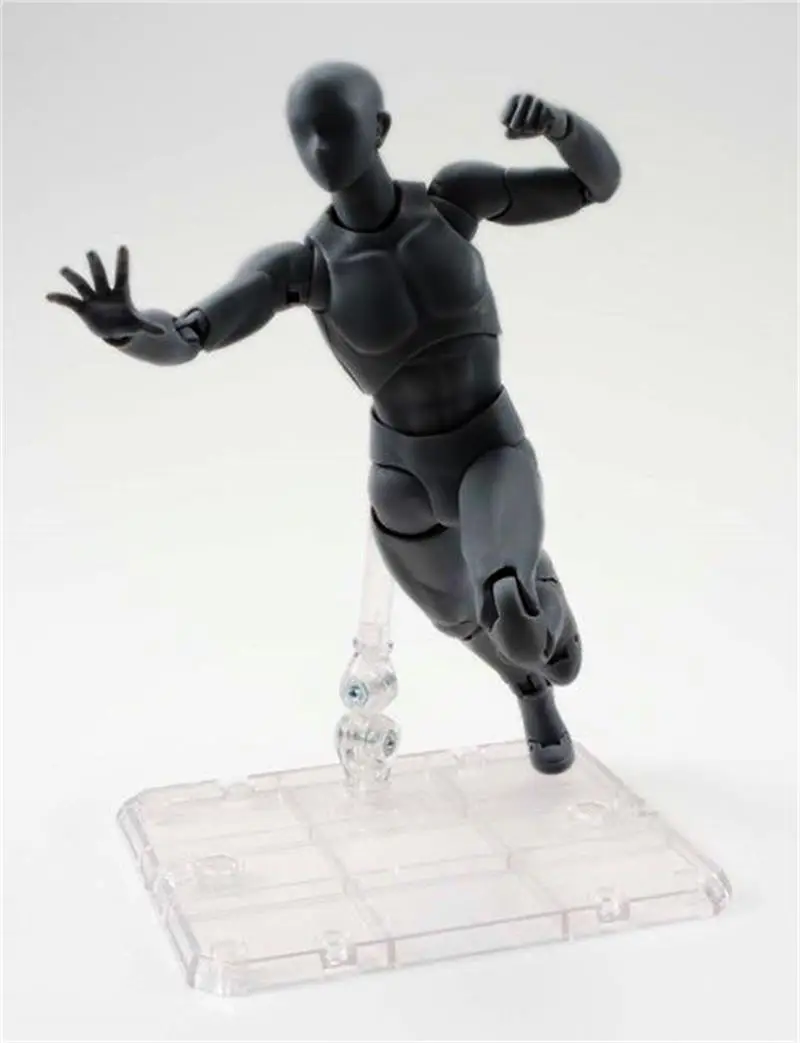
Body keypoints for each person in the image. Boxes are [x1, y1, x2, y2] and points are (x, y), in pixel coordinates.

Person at [47, 61, 621, 773]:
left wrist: (562, 127)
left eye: (337, 130)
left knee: (505, 588)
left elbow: (593, 185)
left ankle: (537, 611)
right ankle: (530, 691)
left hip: (485, 442)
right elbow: (192, 335)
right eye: (306, 137)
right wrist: (128, 329)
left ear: (379, 128)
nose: (321, 151)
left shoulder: (452, 200)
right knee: (460, 618)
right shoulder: (303, 266)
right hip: (402, 478)